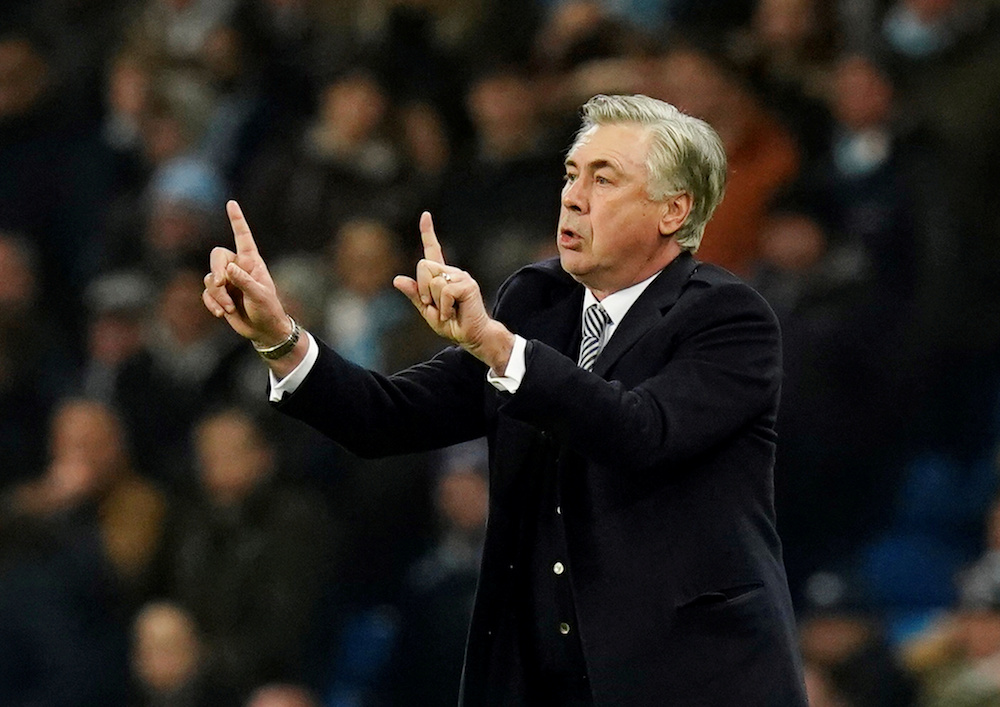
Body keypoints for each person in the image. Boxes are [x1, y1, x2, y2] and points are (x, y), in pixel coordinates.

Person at [203, 94, 807, 705]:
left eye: (604, 179)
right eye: (571, 174)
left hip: (686, 680)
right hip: (537, 682)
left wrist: (498, 347)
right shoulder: (538, 303)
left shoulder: (727, 318)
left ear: (673, 210)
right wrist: (279, 337)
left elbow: (640, 433)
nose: (573, 197)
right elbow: (388, 416)